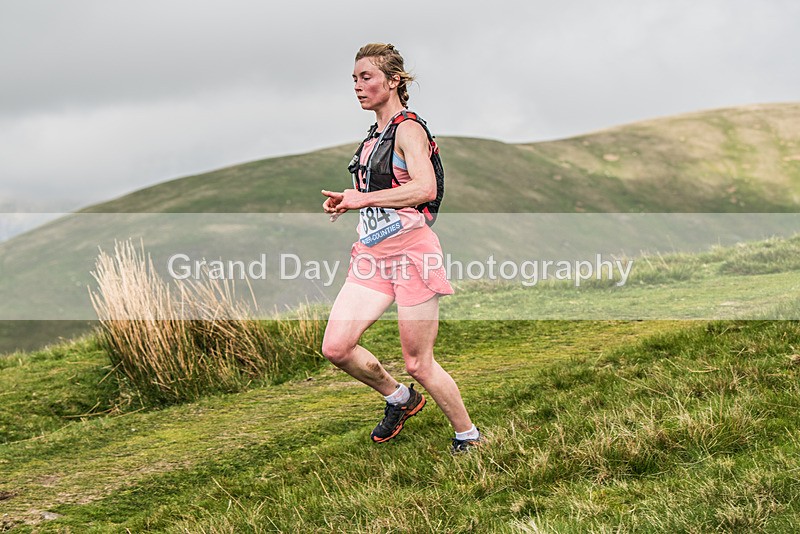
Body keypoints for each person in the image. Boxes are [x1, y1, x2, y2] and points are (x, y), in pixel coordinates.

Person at [321, 43, 481, 453]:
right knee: (337, 347)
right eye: (354, 79)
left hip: (413, 255)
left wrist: (364, 200)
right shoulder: (374, 135)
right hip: (373, 255)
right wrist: (348, 199)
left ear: (393, 81)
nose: (358, 87)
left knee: (418, 362)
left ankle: (468, 435)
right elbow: (378, 189)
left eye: (366, 77)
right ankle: (400, 399)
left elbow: (424, 188)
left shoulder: (409, 129)